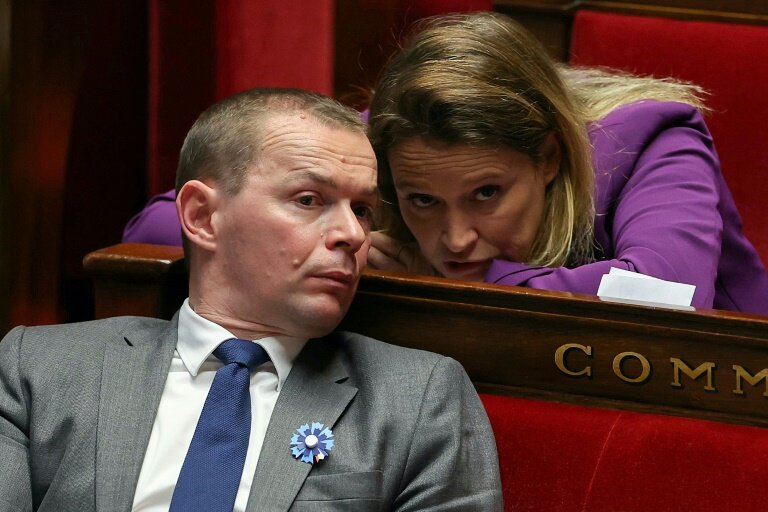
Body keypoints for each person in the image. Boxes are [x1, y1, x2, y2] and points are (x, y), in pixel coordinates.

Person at [0, 88, 502, 511]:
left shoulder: (417, 398)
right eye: (309, 200)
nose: (353, 234)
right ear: (202, 216)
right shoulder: (40, 368)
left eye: (363, 209)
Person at [364, 12, 768, 315]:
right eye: (423, 201)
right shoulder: (390, 139)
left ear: (548, 158)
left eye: (485, 193)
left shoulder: (652, 139)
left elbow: (668, 296)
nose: (455, 241)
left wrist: (443, 282)